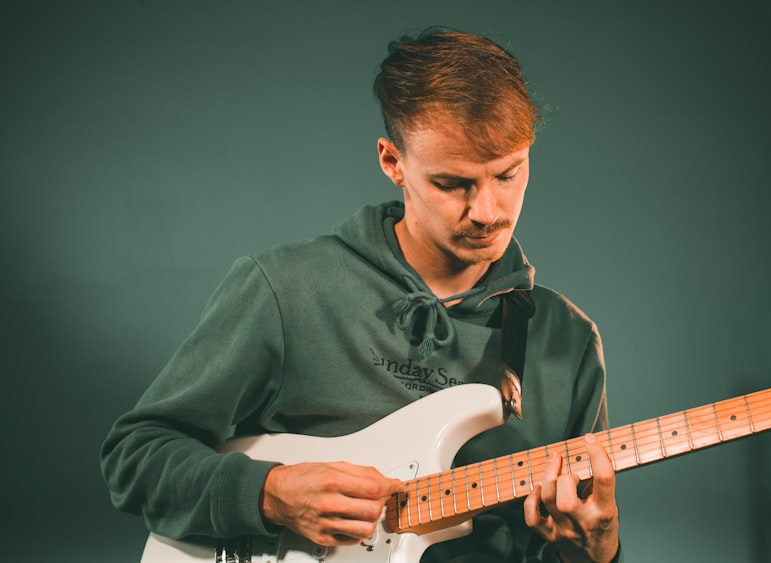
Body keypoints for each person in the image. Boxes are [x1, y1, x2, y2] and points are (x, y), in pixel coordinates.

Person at [101, 28, 622, 563]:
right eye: (452, 183)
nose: (488, 211)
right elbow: (135, 458)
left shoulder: (568, 342)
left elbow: (567, 541)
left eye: (508, 174)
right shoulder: (287, 287)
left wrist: (599, 551)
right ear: (392, 162)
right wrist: (268, 495)